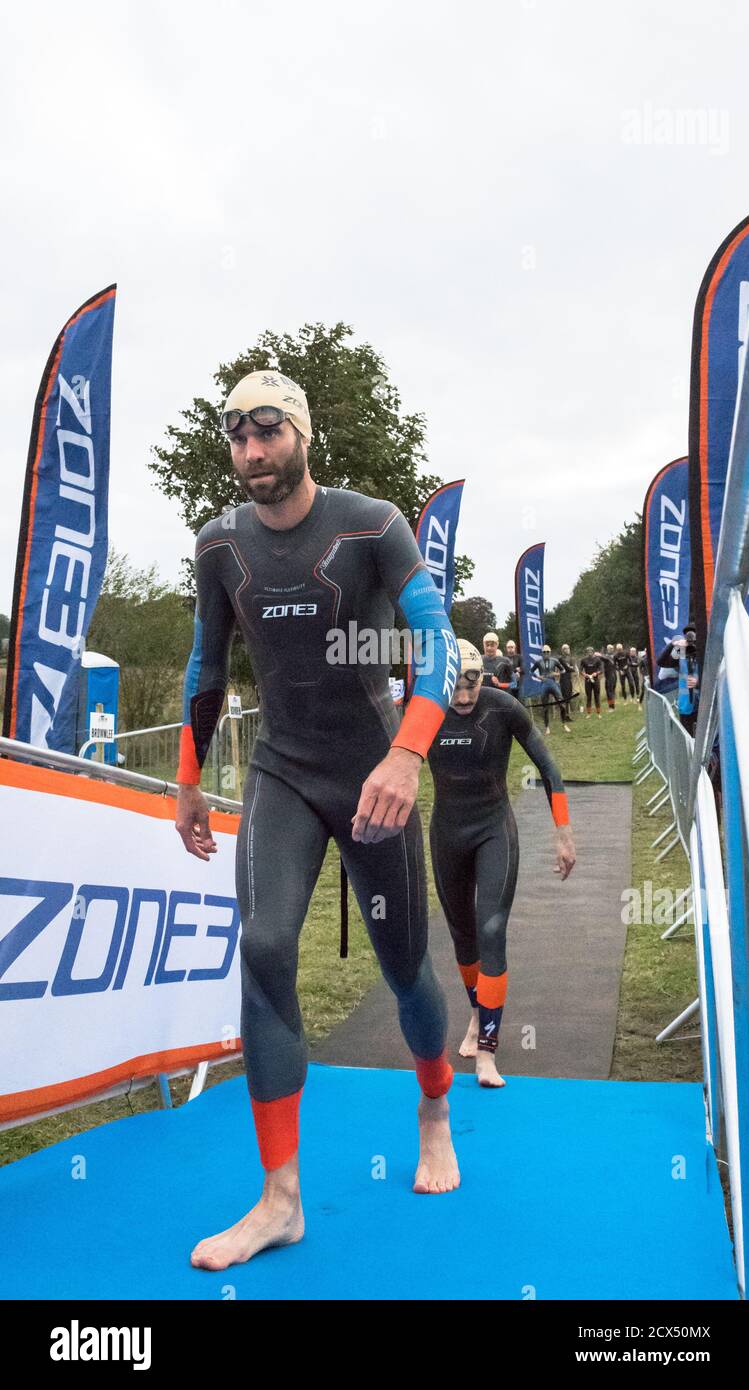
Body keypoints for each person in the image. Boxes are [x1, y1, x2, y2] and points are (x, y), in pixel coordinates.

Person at [175, 370, 462, 1271]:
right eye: (237, 436)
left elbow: (436, 640)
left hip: (374, 769)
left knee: (406, 968)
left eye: (267, 433)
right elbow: (203, 667)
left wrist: (409, 754)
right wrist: (186, 781)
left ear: (299, 436)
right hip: (282, 771)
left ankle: (433, 1103)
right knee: (262, 947)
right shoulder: (220, 544)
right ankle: (281, 1199)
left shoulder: (371, 523)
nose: (251, 452)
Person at [427, 641, 576, 1087]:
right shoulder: (424, 712)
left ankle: (488, 1051)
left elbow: (548, 767)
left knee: (491, 929)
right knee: (462, 935)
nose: (464, 698)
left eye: (471, 686)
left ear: (482, 678)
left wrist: (563, 832)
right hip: (446, 833)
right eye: (454, 689)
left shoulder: (503, 708)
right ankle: (478, 1014)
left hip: (494, 830)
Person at [657, 622, 700, 735]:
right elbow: (661, 662)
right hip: (686, 706)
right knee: (688, 742)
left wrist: (698, 683)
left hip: (704, 707)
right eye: (687, 636)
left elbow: (715, 678)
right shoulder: (682, 652)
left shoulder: (706, 652)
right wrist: (673, 644)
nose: (690, 640)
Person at [530, 644, 570, 733]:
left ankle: (564, 724)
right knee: (545, 707)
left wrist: (556, 674)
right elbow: (531, 671)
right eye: (544, 652)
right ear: (542, 653)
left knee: (562, 704)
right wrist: (537, 676)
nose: (546, 653)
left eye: (547, 652)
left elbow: (563, 670)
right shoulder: (538, 662)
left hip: (553, 683)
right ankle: (547, 727)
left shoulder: (554, 661)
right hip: (544, 684)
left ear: (550, 652)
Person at [579, 647, 603, 718]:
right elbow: (580, 670)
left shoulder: (597, 659)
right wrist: (584, 674)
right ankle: (588, 713)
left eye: (591, 651)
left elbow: (601, 670)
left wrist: (596, 673)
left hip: (595, 680)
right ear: (586, 652)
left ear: (593, 652)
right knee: (588, 697)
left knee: (597, 697)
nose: (589, 653)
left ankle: (598, 713)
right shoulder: (583, 660)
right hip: (588, 680)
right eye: (588, 651)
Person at [558, 643, 577, 721]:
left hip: (569, 679)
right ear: (563, 650)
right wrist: (570, 668)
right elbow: (560, 669)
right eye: (566, 648)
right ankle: (563, 716)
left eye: (568, 648)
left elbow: (574, 668)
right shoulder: (560, 659)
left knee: (568, 698)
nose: (568, 650)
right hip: (563, 679)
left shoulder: (571, 658)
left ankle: (567, 715)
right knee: (564, 698)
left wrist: (572, 669)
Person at [600, 644, 617, 711]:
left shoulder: (611, 656)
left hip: (611, 676)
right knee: (609, 691)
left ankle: (612, 707)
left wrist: (601, 652)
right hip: (608, 676)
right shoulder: (609, 656)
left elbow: (602, 657)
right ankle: (611, 706)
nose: (611, 649)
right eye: (609, 648)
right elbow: (601, 658)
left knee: (610, 691)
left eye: (611, 648)